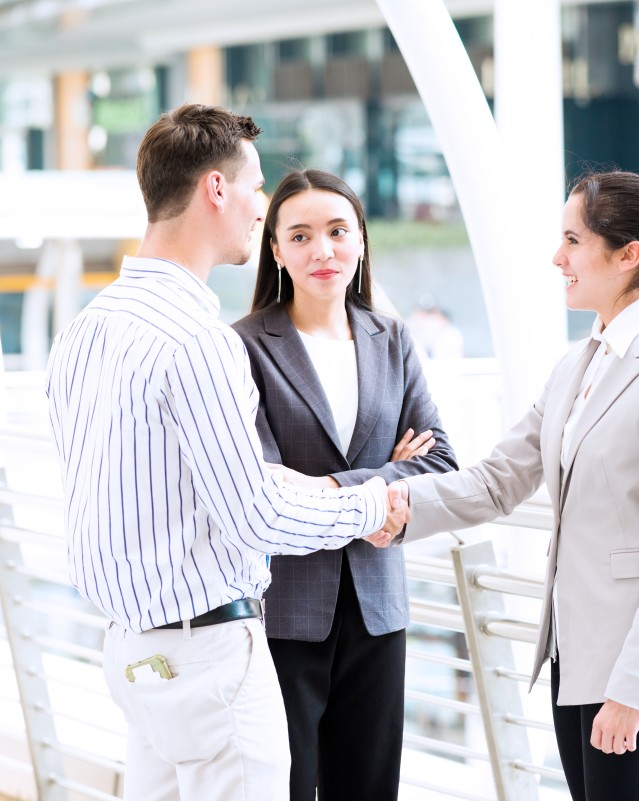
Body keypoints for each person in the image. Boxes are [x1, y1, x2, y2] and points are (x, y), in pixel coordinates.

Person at [43, 105, 410, 801]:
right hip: (207, 661)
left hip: (132, 653)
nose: (259, 207)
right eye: (254, 187)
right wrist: (367, 503)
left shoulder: (86, 328)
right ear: (216, 189)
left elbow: (176, 481)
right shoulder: (197, 339)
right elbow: (255, 512)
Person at [394, 170, 639, 800]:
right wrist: (398, 507)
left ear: (628, 256)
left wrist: (632, 690)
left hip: (637, 668)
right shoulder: (578, 364)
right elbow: (497, 482)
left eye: (572, 240)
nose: (557, 257)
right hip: (574, 653)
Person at [232, 168, 458, 801]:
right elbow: (264, 484)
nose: (322, 250)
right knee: (290, 787)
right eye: (300, 236)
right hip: (286, 614)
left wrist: (330, 486)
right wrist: (388, 471)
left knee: (370, 788)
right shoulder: (244, 347)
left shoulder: (394, 340)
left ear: (361, 239)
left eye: (337, 231)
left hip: (379, 609)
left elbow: (439, 463)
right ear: (275, 250)